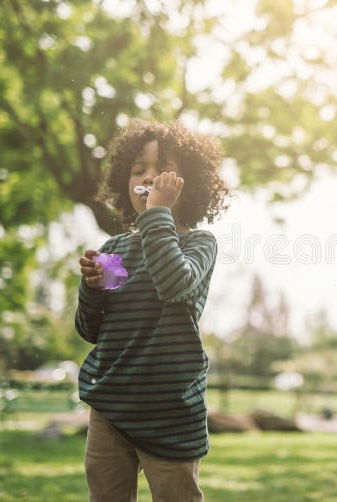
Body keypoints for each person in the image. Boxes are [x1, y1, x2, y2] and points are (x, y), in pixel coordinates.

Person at [75, 120, 229, 501]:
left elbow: (173, 282)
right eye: (138, 170)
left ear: (187, 181)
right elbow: (91, 330)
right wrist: (92, 289)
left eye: (161, 169)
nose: (148, 178)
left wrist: (157, 212)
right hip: (110, 407)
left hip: (170, 413)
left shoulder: (199, 244)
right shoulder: (115, 247)